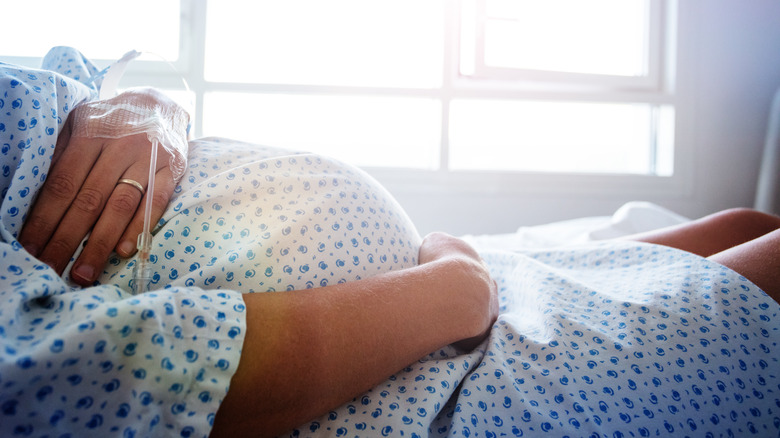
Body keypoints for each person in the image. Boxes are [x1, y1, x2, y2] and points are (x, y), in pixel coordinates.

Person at [2, 48, 779, 437]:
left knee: (747, 228)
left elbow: (84, 71)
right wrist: (456, 294)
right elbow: (151, 371)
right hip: (435, 377)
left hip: (453, 291)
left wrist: (144, 104)